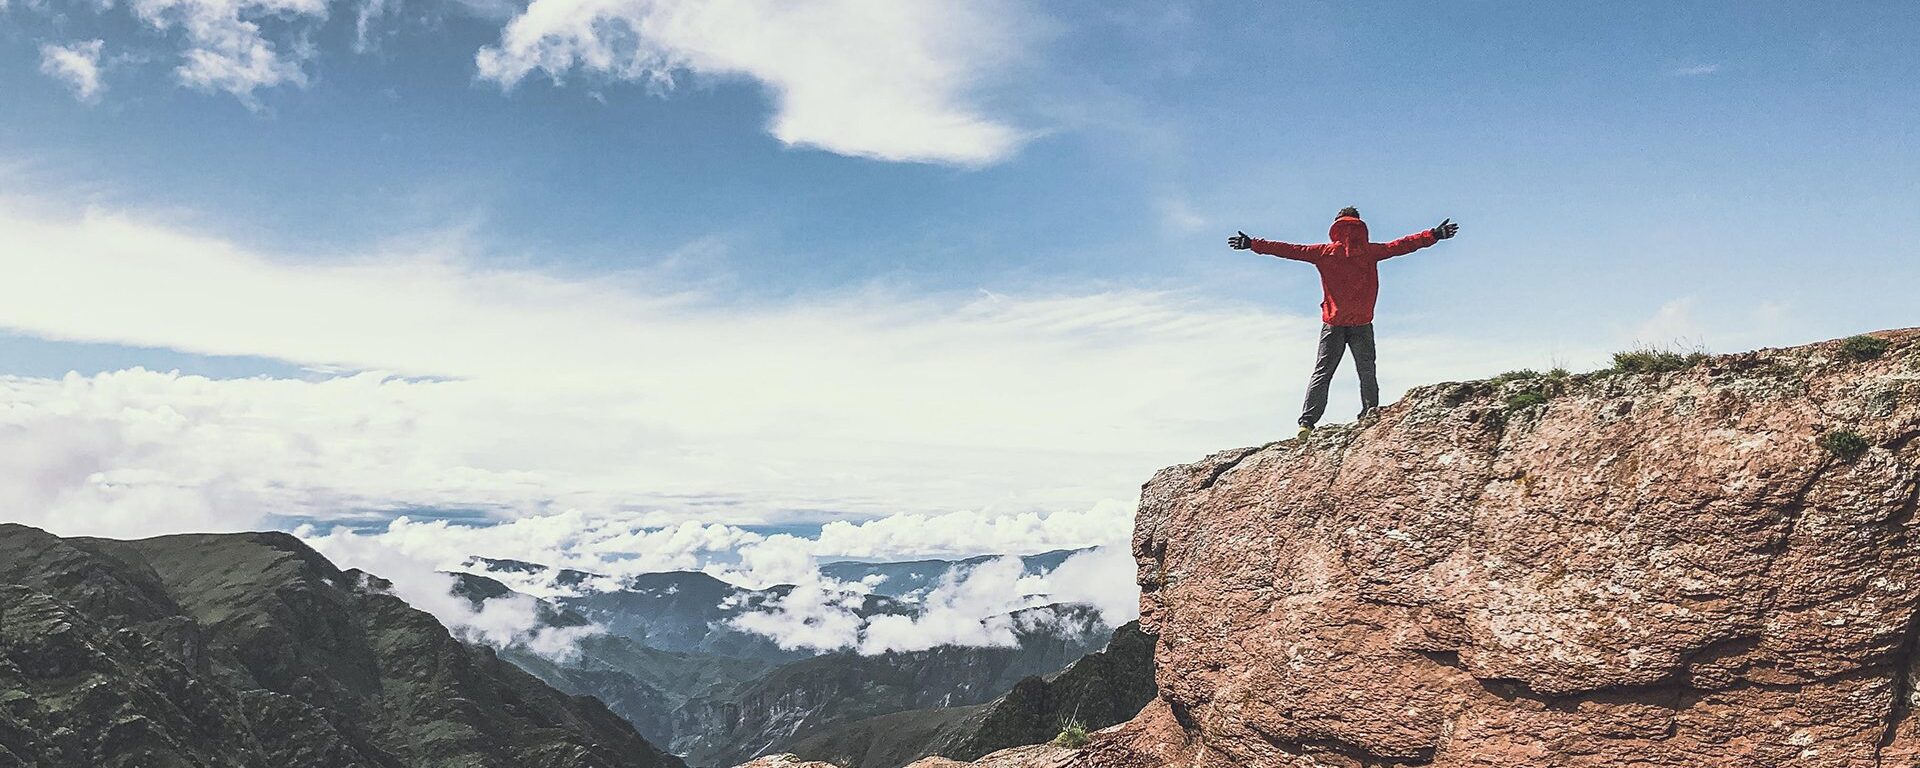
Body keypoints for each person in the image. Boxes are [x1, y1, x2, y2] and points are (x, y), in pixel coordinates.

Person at [1229, 207, 1459, 439]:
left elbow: (1289, 250)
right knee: (1366, 371)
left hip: (1333, 322)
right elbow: (1403, 245)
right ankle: (1370, 414)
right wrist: (1435, 234)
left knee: (1323, 371)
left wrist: (1252, 244)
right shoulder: (1370, 252)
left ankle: (1307, 423)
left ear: (1336, 227)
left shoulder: (1324, 252)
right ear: (1361, 226)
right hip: (1362, 322)